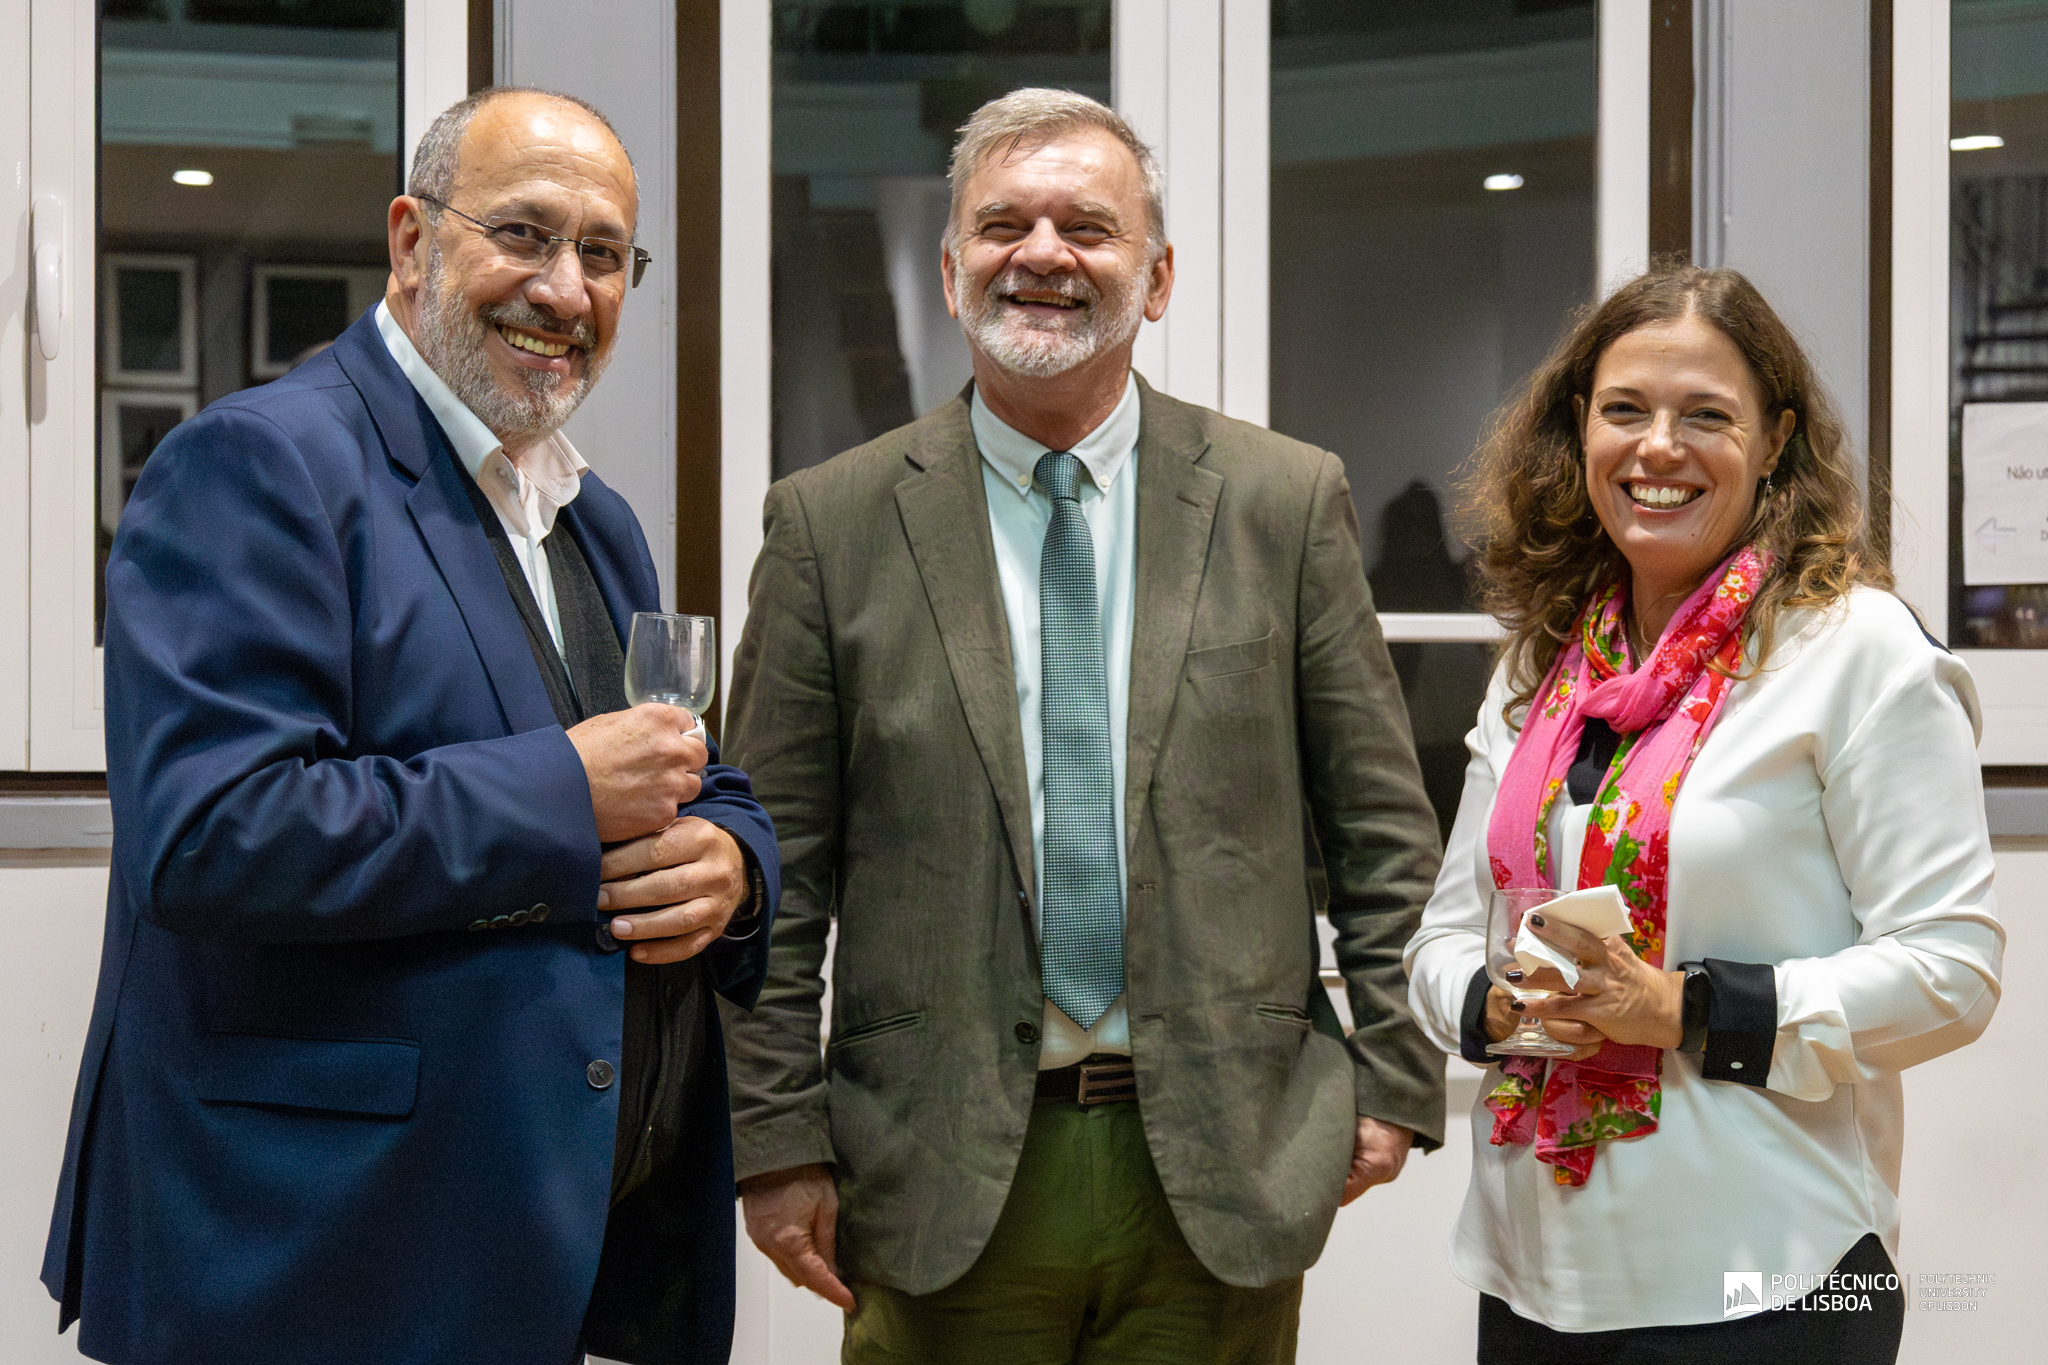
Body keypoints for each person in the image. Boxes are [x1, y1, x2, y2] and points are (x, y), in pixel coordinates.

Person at [41, 88, 777, 1365]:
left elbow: (679, 775)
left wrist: (735, 867)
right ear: (409, 241)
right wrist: (558, 791)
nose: (563, 288)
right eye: (524, 236)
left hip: (533, 1261)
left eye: (603, 255)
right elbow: (211, 834)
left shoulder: (593, 519)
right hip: (312, 1266)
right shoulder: (260, 465)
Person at [721, 88, 1446, 1363]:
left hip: (1221, 1169)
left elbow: (1380, 828)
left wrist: (1394, 1075)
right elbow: (770, 877)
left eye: (1087, 228)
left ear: (1154, 278)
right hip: (933, 1170)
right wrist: (774, 1139)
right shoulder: (828, 528)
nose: (1042, 254)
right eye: (1002, 225)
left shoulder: (1283, 503)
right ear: (951, 273)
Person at [1404, 264, 2004, 1362]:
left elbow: (1950, 972)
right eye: (1623, 409)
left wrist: (1685, 1010)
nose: (1656, 449)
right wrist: (1490, 1003)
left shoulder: (1855, 654)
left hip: (1771, 1279)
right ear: (1575, 427)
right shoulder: (1540, 664)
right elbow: (1446, 935)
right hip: (1535, 1278)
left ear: (1774, 441)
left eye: (1705, 416)